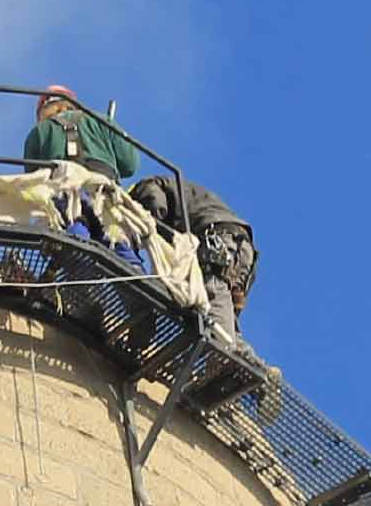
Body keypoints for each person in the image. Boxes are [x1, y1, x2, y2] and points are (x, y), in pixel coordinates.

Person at [129, 171, 259, 342]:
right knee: (222, 313)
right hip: (240, 248)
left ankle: (226, 358)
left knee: (213, 296)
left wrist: (153, 234)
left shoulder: (147, 186)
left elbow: (154, 202)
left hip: (219, 240)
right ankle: (243, 353)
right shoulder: (185, 192)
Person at [21, 84, 138, 182]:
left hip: (59, 194)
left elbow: (31, 181)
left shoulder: (38, 131)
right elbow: (129, 165)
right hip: (103, 189)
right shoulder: (102, 121)